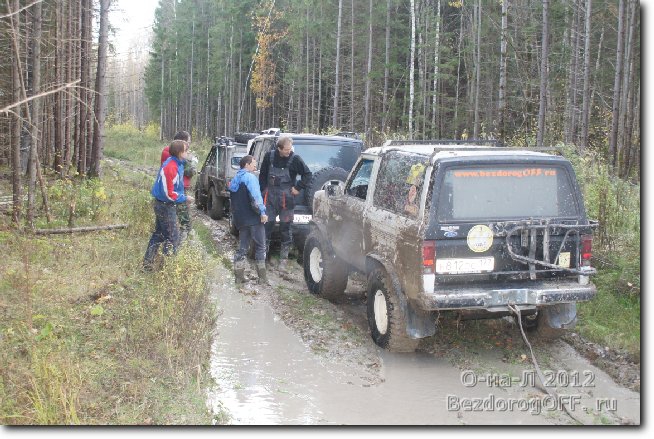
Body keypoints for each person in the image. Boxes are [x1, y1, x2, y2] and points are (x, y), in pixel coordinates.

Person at [258, 136, 312, 271]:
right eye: (287, 150)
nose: (289, 152)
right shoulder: (269, 157)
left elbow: (308, 175)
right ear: (279, 148)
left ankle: (283, 261)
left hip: (286, 199)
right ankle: (263, 258)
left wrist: (298, 187)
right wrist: (262, 192)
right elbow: (262, 176)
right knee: (266, 226)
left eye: (290, 149)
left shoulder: (295, 159)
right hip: (269, 197)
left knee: (285, 228)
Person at [143, 140, 188, 271]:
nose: (187, 153)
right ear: (179, 152)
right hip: (165, 205)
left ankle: (148, 263)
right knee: (173, 237)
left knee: (159, 234)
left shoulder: (178, 164)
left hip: (165, 204)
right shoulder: (170, 167)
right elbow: (168, 193)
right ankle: (166, 269)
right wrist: (184, 198)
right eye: (186, 150)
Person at [229, 155, 269, 284]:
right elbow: (256, 197)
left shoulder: (235, 179)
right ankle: (262, 279)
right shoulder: (250, 178)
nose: (255, 166)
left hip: (240, 219)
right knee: (261, 247)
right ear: (246, 164)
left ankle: (239, 277)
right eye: (253, 164)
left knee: (242, 248)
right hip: (253, 218)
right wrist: (262, 212)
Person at [161, 131, 197, 242]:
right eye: (188, 142)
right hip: (175, 190)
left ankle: (181, 242)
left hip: (180, 188)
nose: (189, 145)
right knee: (183, 217)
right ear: (182, 142)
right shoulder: (169, 152)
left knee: (183, 215)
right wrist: (192, 162)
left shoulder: (173, 153)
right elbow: (189, 172)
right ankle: (181, 243)